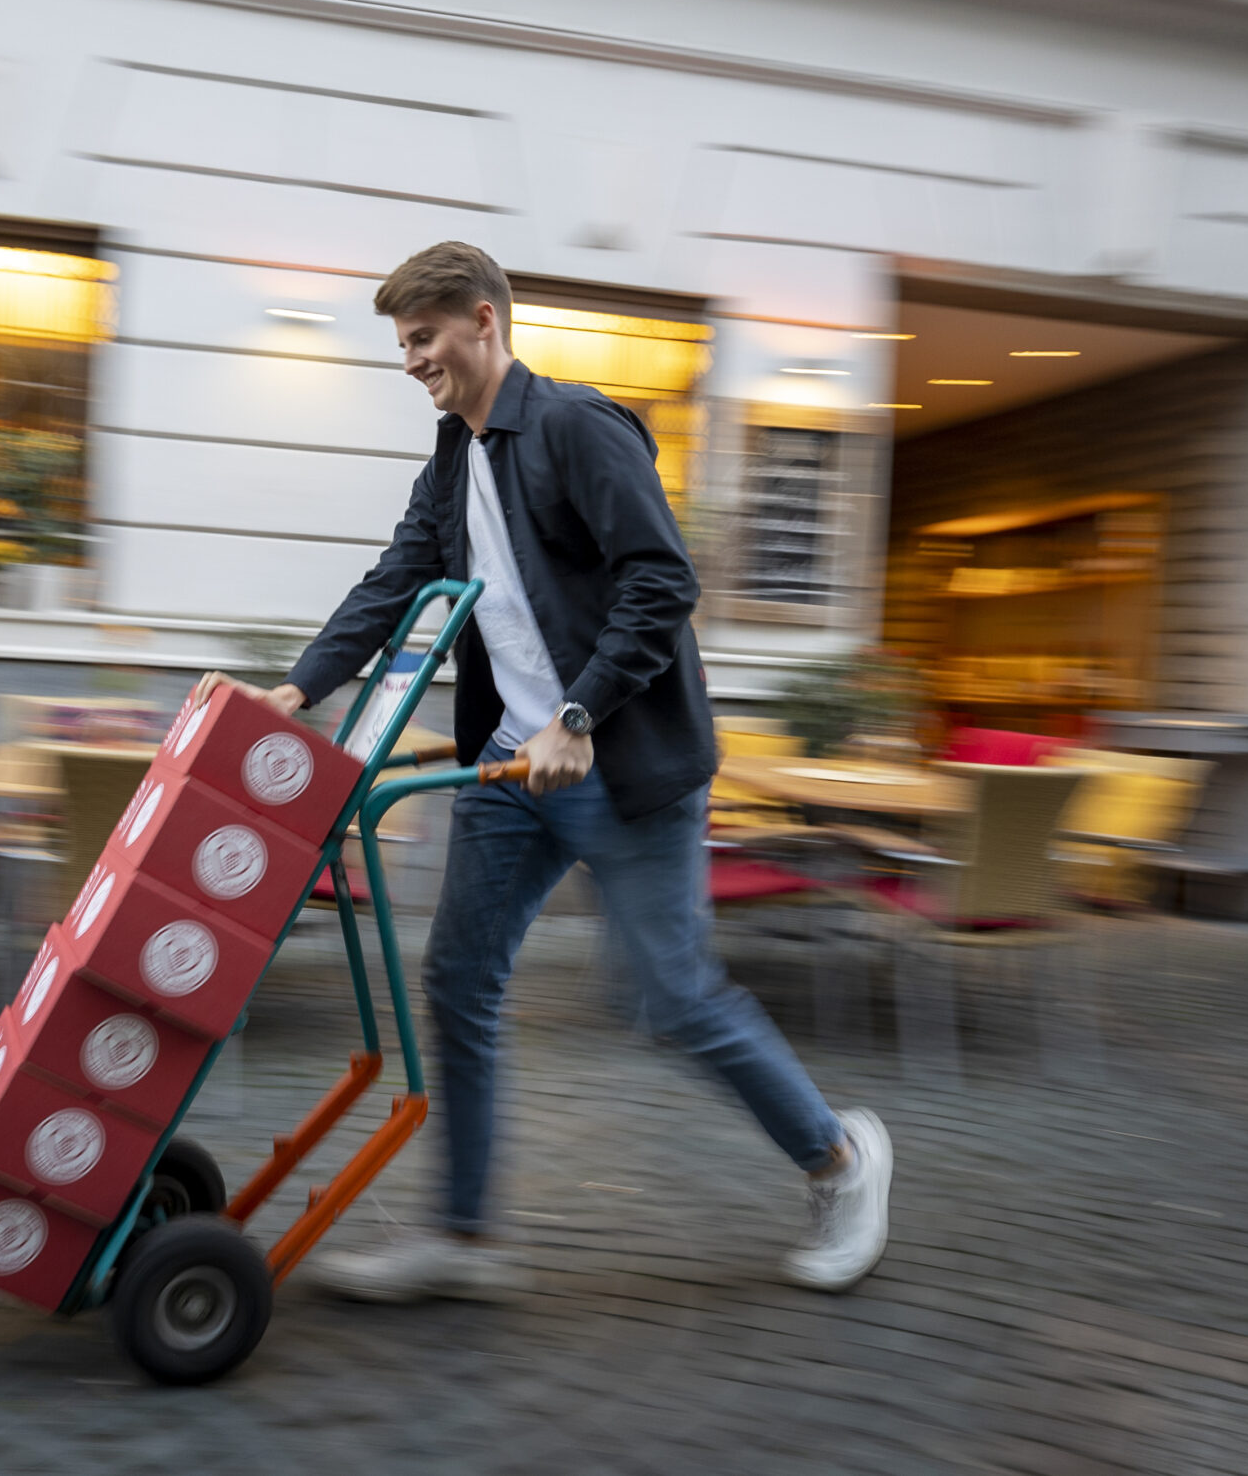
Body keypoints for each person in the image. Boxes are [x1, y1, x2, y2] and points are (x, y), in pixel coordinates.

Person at [201, 241, 890, 1301]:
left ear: (483, 320)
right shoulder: (450, 458)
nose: (411, 359)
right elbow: (395, 581)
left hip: (619, 767)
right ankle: (463, 1237)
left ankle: (839, 1159)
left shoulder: (574, 425)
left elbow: (662, 580)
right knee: (457, 981)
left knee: (669, 997)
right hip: (508, 771)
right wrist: (295, 691)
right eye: (401, 343)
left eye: (422, 337)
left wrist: (579, 713)